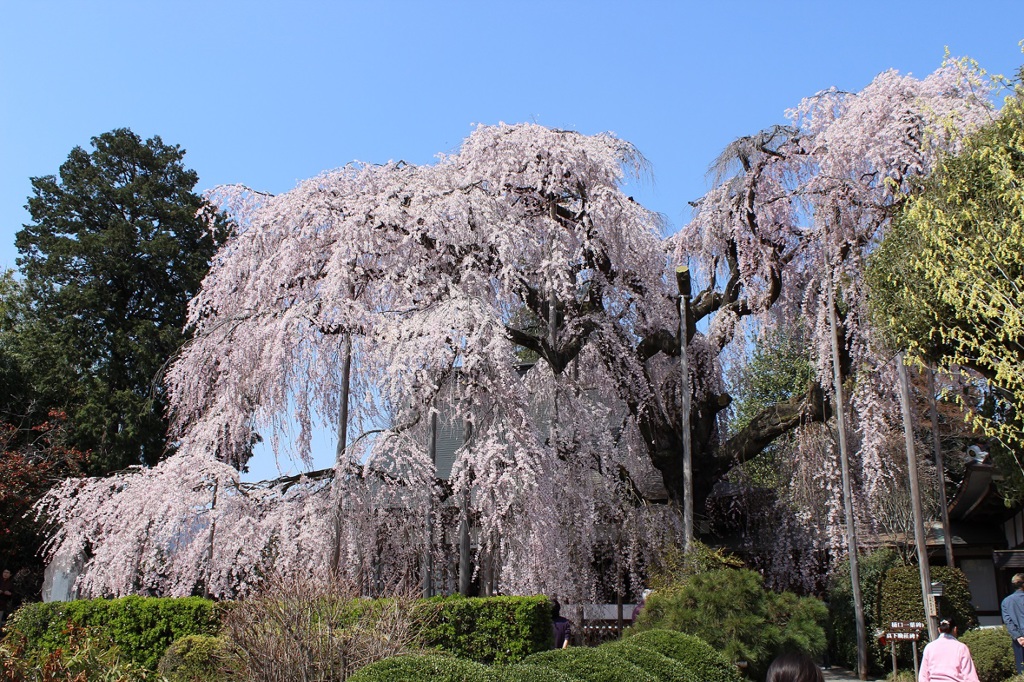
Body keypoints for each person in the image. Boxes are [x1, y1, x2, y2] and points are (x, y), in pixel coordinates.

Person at [918, 618, 980, 682]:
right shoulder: (961, 647)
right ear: (955, 629)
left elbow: (923, 675)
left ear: (939, 630)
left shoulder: (929, 647)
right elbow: (970, 676)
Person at [1003, 573, 1024, 674]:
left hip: (1018, 640)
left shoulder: (1006, 601)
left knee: (1021, 668)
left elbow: (1008, 621)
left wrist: (1018, 637)